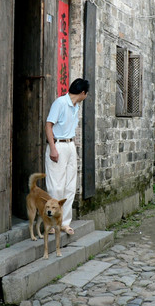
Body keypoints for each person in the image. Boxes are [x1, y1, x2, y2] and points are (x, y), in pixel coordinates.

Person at [45, 78, 89, 235]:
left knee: (70, 186)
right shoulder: (60, 103)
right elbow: (48, 125)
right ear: (83, 93)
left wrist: (73, 145)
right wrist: (52, 148)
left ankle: (64, 223)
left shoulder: (76, 106)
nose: (86, 96)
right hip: (58, 145)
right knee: (56, 186)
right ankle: (51, 224)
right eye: (86, 94)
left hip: (70, 146)